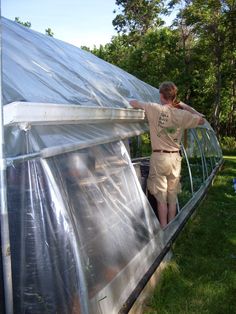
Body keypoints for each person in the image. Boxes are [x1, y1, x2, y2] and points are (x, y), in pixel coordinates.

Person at [129, 81, 205, 228]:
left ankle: (164, 229)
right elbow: (201, 119)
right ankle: (172, 225)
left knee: (161, 198)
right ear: (174, 96)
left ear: (161, 95)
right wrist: (184, 106)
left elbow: (133, 103)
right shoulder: (182, 114)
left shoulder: (154, 108)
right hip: (175, 159)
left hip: (159, 158)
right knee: (172, 196)